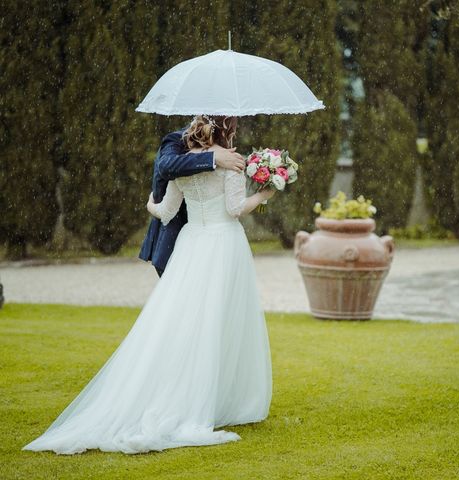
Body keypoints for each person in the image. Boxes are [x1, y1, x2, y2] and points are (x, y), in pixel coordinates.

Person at [22, 115, 275, 454]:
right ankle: (211, 400)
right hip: (224, 244)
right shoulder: (231, 164)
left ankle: (187, 393)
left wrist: (149, 205)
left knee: (185, 321)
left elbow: (167, 211)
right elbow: (233, 210)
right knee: (220, 319)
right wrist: (264, 195)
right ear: (226, 130)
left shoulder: (183, 168)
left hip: (192, 243)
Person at [138, 118, 246, 277]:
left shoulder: (226, 153)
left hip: (214, 240)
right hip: (175, 239)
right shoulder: (176, 140)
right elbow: (166, 166)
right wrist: (212, 158)